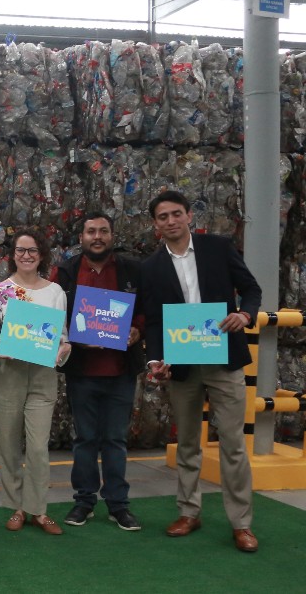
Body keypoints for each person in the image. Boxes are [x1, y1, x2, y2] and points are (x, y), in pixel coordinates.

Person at [141, 190, 261, 553]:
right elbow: (153, 322)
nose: (171, 221)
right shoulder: (151, 267)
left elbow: (252, 289)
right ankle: (189, 512)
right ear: (155, 225)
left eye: (176, 214)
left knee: (233, 444)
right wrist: (155, 361)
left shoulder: (218, 248)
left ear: (190, 215)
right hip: (182, 366)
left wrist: (244, 315)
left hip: (223, 360)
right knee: (188, 444)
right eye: (163, 217)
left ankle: (241, 523)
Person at [53, 211, 145, 530]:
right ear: (81, 238)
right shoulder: (65, 272)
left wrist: (136, 331)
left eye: (103, 231)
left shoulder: (132, 269)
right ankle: (84, 501)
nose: (97, 237)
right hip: (83, 371)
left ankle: (119, 504)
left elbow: (147, 309)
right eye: (91, 231)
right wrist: (73, 339)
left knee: (116, 440)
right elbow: (55, 314)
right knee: (85, 439)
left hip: (120, 370)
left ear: (112, 236)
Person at [0, 229, 71, 536]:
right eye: (21, 250)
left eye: (32, 250)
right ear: (13, 255)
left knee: (37, 447)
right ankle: (15, 507)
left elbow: (62, 337)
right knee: (8, 443)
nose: (27, 256)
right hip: (9, 373)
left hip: (43, 374)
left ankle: (39, 509)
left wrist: (63, 349)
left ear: (42, 254)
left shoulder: (56, 292)